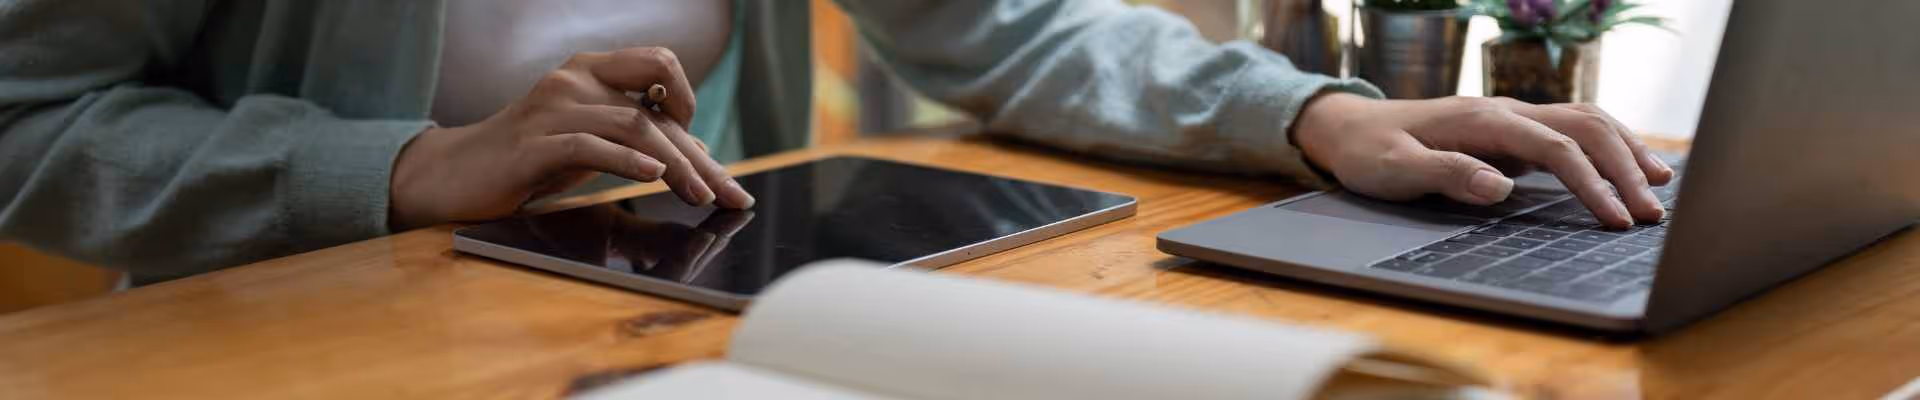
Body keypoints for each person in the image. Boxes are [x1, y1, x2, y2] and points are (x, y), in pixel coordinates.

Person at [0, 0, 1669, 285]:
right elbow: (28, 117)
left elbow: (1005, 26)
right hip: (319, 340)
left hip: (664, 314)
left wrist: (1310, 113)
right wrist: (396, 170)